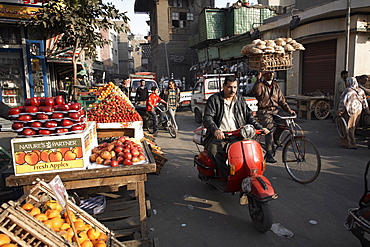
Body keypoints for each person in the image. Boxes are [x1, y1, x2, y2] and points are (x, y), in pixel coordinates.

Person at [203, 76, 269, 179]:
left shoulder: (240, 100)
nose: (232, 90)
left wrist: (260, 128)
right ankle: (225, 176)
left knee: (255, 150)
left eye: (234, 87)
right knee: (214, 149)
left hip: (239, 135)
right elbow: (208, 118)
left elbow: (249, 117)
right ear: (224, 86)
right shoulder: (214, 99)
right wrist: (215, 130)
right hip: (221, 136)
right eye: (229, 87)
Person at [252, 71, 296, 163]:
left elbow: (281, 100)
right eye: (269, 73)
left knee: (284, 123)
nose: (272, 74)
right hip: (264, 111)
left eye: (273, 73)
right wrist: (258, 79)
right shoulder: (260, 85)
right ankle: (269, 154)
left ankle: (275, 138)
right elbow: (256, 92)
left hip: (275, 110)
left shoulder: (276, 86)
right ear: (264, 74)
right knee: (269, 129)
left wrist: (289, 110)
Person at [337, 77, 370, 149]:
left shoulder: (348, 91)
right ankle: (346, 142)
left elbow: (343, 102)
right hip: (358, 111)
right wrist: (367, 111)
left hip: (349, 111)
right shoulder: (360, 90)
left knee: (347, 128)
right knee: (353, 127)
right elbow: (365, 102)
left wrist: (340, 111)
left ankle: (350, 143)